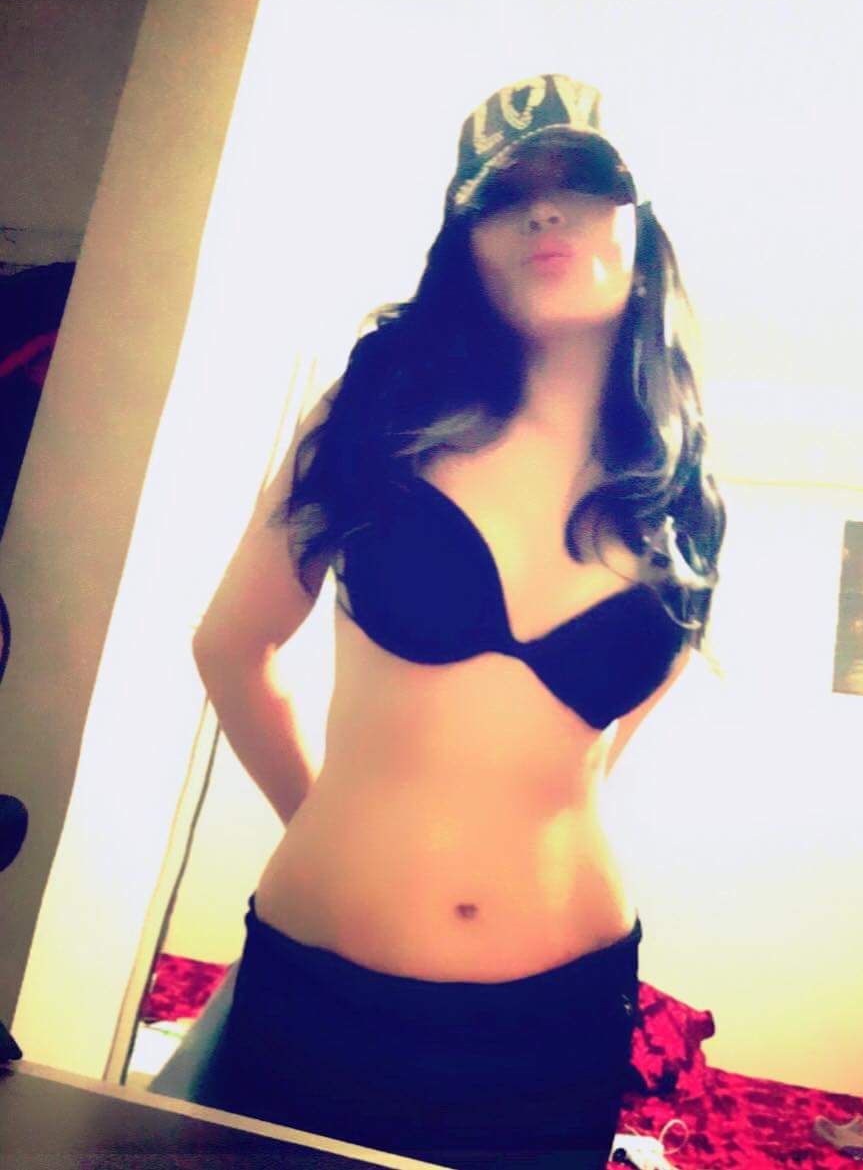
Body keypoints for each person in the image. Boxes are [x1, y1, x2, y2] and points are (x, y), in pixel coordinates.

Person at [178, 73, 726, 1169]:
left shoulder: (683, 499)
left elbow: (589, 756)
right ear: (463, 243)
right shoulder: (376, 413)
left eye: (583, 179)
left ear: (641, 220)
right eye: (502, 194)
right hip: (324, 984)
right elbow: (230, 648)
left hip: (561, 1016)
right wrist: (332, 825)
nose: (543, 209)